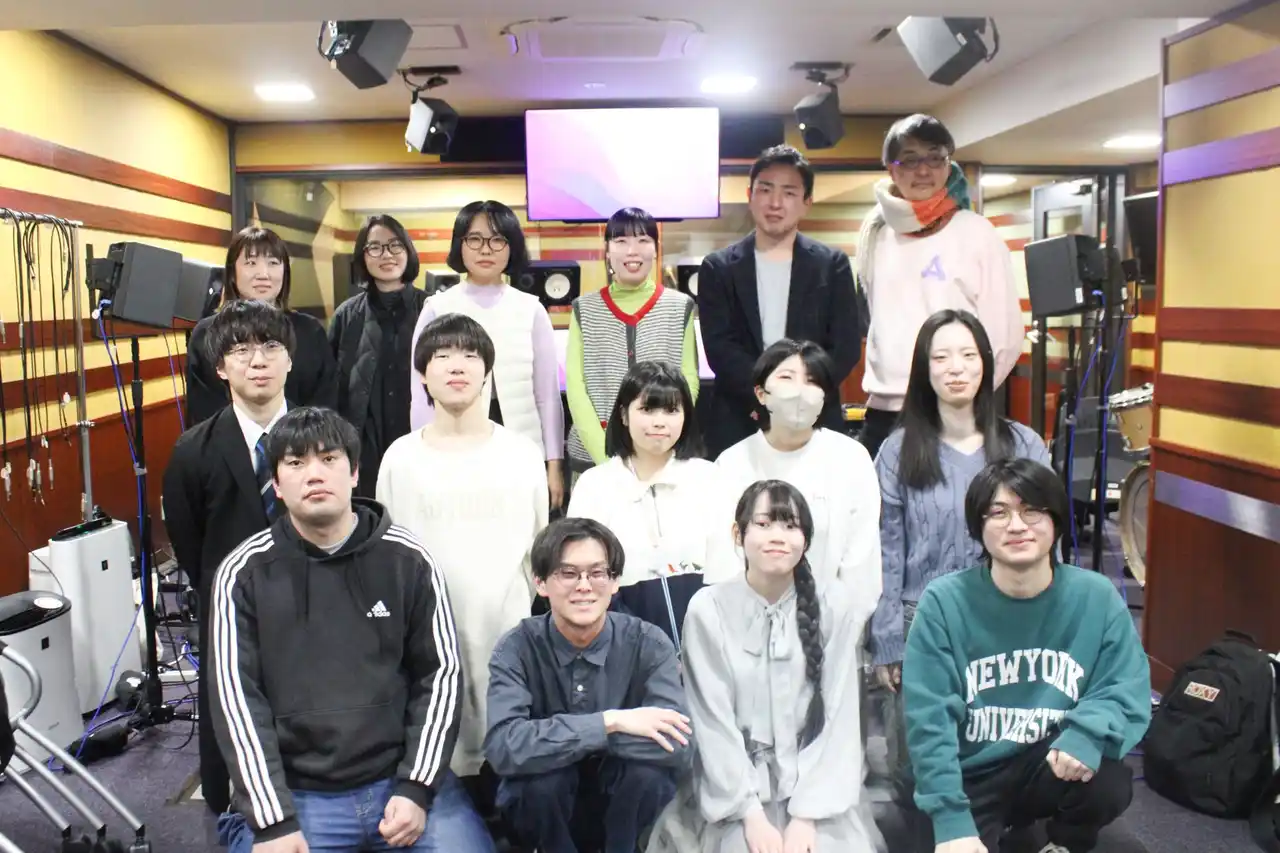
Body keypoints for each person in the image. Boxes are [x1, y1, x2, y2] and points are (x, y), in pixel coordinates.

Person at [209, 406, 495, 853]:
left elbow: (440, 676)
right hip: (296, 794)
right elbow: (236, 703)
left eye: (329, 458)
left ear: (355, 472)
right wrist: (272, 822)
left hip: (398, 780)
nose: (314, 474)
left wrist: (417, 788)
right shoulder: (242, 574)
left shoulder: (409, 560)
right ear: (276, 484)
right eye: (296, 462)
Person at [903, 458, 1149, 853]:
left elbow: (1123, 686)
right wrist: (950, 818)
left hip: (1047, 761)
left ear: (1055, 520)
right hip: (969, 770)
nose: (1017, 525)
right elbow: (929, 718)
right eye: (998, 513)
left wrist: (1086, 734)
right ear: (978, 527)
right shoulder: (943, 602)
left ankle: (1064, 842)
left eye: (1032, 510)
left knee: (1108, 779)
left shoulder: (1096, 596)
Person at [870, 309, 1052, 795]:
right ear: (924, 370)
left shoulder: (1024, 445)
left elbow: (1047, 543)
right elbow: (887, 550)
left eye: (968, 355)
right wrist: (887, 638)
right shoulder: (898, 451)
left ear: (986, 364)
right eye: (941, 357)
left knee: (1004, 754)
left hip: (1009, 616)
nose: (956, 368)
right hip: (921, 621)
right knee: (921, 770)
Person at [648, 479, 882, 853]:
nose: (778, 536)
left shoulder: (834, 605)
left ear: (806, 540)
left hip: (818, 788)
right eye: (763, 523)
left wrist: (806, 818)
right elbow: (712, 721)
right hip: (734, 792)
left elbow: (839, 720)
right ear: (737, 534)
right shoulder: (708, 610)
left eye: (790, 526)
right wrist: (750, 816)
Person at [378, 312, 548, 790]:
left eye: (470, 355)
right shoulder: (400, 458)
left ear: (488, 371)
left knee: (507, 761)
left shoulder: (520, 453)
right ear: (422, 374)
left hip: (505, 629)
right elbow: (389, 555)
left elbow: (539, 545)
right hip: (426, 636)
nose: (457, 365)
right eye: (442, 356)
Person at [485, 517, 693, 853]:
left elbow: (679, 744)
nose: (584, 586)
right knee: (540, 783)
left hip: (623, 812)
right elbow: (504, 747)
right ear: (540, 582)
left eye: (597, 573)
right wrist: (611, 722)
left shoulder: (649, 643)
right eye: (568, 573)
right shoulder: (516, 648)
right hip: (548, 818)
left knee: (648, 776)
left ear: (614, 582)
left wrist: (561, 740)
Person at [162, 300, 297, 817]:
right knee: (232, 730)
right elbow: (190, 542)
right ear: (220, 367)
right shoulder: (193, 451)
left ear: (289, 359)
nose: (257, 360)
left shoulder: (325, 439)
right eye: (241, 350)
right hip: (233, 611)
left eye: (270, 346)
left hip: (316, 602)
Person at [856, 114, 1024, 459]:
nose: (923, 170)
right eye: (910, 159)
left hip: (954, 411)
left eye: (935, 158)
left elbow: (1005, 335)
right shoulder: (875, 233)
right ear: (891, 169)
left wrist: (964, 396)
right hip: (884, 411)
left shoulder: (975, 231)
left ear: (948, 166)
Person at [697, 144, 862, 457]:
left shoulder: (832, 265)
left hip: (814, 417)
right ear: (750, 195)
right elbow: (720, 348)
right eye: (765, 189)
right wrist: (768, 398)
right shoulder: (719, 268)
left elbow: (845, 347)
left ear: (806, 202)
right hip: (740, 418)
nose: (775, 202)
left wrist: (801, 396)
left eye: (789, 192)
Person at [408, 201, 566, 508]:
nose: (485, 249)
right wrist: (422, 458)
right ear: (460, 244)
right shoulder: (437, 308)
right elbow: (420, 395)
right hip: (450, 452)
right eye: (475, 239)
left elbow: (547, 397)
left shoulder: (531, 309)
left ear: (512, 246)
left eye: (497, 240)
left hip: (523, 451)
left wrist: (554, 464)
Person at [566, 361, 735, 646]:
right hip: (621, 642)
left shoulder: (710, 478)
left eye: (671, 410)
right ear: (624, 415)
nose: (659, 422)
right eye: (647, 409)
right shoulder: (594, 486)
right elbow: (583, 579)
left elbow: (727, 570)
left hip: (707, 639)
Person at [716, 340, 881, 615]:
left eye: (812, 381)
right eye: (787, 378)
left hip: (832, 627)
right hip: (747, 625)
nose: (800, 392)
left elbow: (861, 567)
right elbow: (725, 562)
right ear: (761, 393)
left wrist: (837, 628)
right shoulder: (731, 464)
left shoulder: (851, 459)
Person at [566, 207, 699, 471]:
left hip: (660, 452)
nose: (632, 251)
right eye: (621, 241)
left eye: (643, 240)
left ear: (656, 249)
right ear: (607, 251)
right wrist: (606, 460)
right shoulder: (584, 308)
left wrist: (665, 435)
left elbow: (689, 380)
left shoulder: (679, 306)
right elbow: (575, 385)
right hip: (593, 458)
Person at [186, 226, 337, 425]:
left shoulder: (310, 331)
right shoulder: (206, 334)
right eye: (251, 263)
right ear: (232, 273)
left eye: (273, 263)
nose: (263, 274)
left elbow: (325, 404)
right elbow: (202, 411)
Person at [329, 214, 428, 498]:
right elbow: (331, 389)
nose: (386, 254)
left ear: (408, 250)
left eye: (395, 245)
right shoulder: (346, 316)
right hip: (363, 451)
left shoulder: (431, 309)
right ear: (362, 256)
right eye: (375, 247)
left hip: (422, 444)